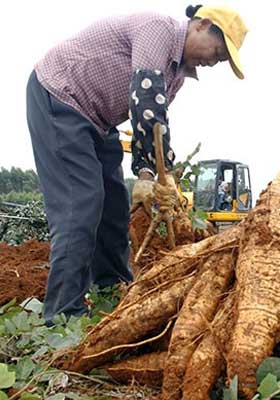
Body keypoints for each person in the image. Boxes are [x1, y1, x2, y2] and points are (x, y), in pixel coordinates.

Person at [26, 4, 248, 324]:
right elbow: (145, 101)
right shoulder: (158, 28)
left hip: (99, 122)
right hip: (60, 97)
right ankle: (63, 316)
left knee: (115, 206)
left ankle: (111, 288)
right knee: (83, 202)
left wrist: (158, 177)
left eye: (222, 60)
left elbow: (155, 127)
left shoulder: (177, 76)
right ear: (201, 25)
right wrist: (151, 174)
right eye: (218, 52)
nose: (214, 63)